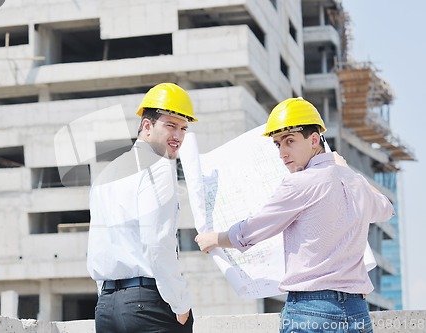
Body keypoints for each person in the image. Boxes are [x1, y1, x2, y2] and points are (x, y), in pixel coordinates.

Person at [195, 97, 394, 333]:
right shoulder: (354, 182)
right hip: (357, 312)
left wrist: (213, 239)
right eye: (278, 144)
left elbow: (250, 231)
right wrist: (347, 168)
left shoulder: (299, 183)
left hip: (311, 310)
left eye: (289, 141)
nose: (282, 152)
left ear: (313, 139)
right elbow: (386, 208)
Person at [87, 83, 197, 333]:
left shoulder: (107, 173)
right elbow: (157, 243)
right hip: (147, 305)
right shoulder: (158, 168)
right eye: (170, 125)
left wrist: (109, 297)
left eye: (183, 128)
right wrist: (181, 305)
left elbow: (98, 245)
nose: (178, 136)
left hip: (106, 308)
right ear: (147, 125)